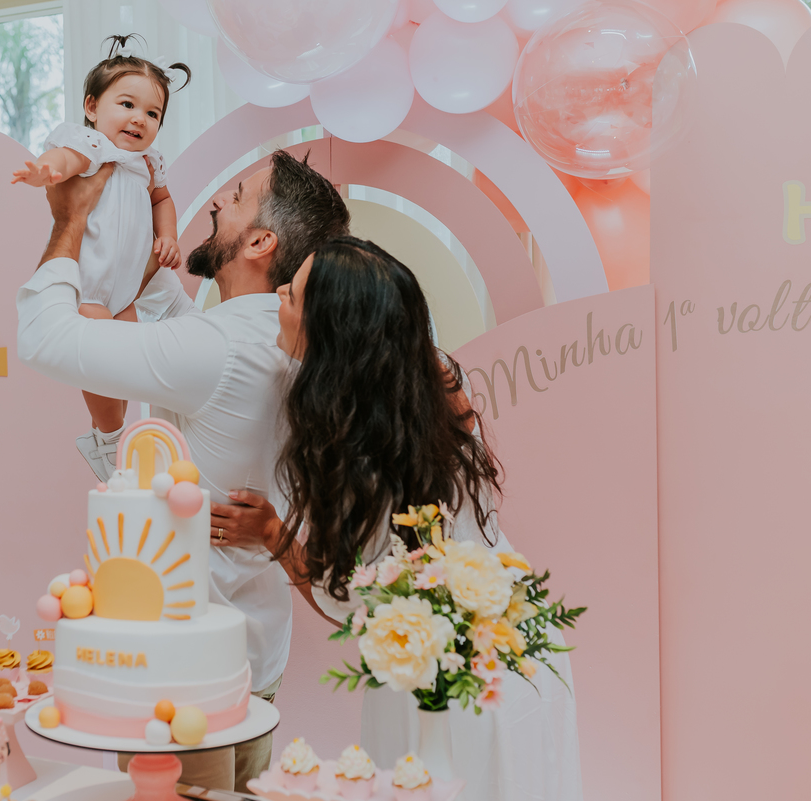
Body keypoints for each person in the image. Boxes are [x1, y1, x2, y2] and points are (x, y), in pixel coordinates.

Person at [17, 150, 351, 791]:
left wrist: (68, 223)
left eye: (238, 193)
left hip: (182, 671)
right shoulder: (280, 339)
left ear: (260, 240)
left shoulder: (218, 349)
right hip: (252, 647)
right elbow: (185, 328)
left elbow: (45, 338)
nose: (217, 201)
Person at [215, 238, 583, 800]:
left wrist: (272, 534)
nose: (278, 296)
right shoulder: (432, 379)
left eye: (290, 296)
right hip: (521, 646)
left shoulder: (353, 457)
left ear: (331, 334)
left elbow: (350, 604)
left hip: (449, 687)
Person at [12, 34, 191, 479]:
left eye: (153, 113)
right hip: (90, 288)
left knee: (122, 373)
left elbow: (162, 200)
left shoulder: (150, 163)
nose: (139, 120)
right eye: (127, 105)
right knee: (102, 366)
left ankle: (105, 434)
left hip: (127, 292)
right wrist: (45, 169)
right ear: (92, 108)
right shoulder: (94, 146)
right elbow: (67, 158)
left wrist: (167, 234)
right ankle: (110, 441)